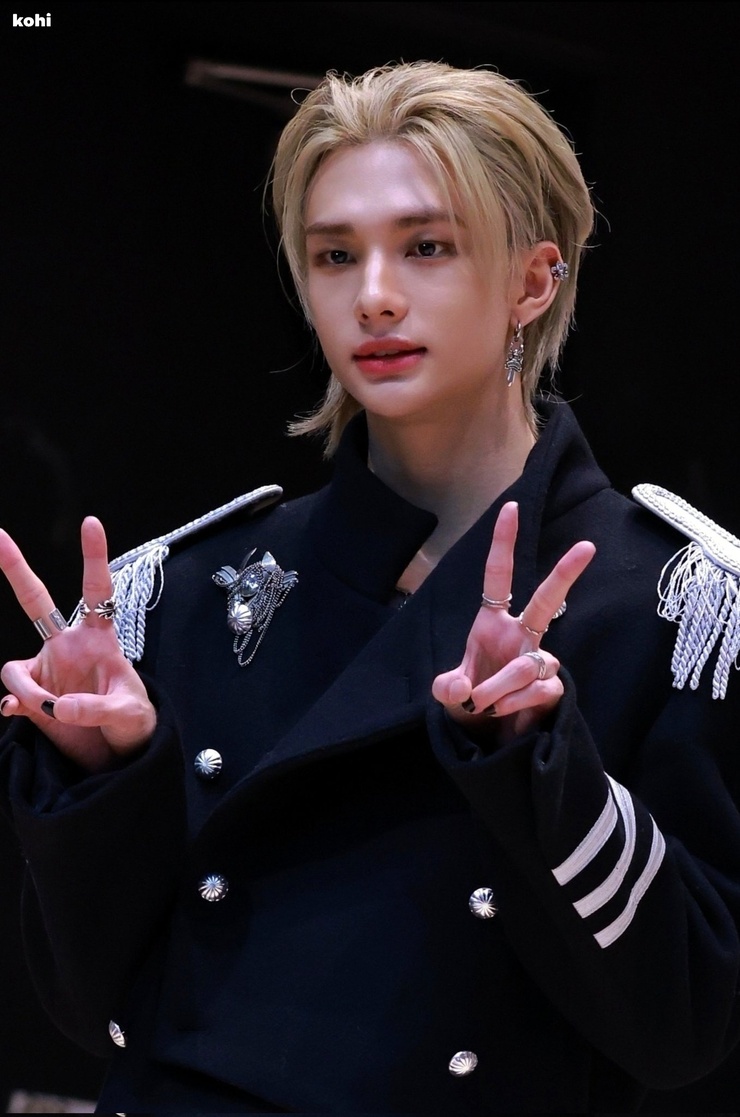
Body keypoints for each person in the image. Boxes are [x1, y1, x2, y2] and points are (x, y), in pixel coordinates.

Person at [1, 60, 740, 1115]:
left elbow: (682, 1027)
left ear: (533, 281)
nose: (374, 294)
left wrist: (537, 763)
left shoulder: (673, 610)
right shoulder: (191, 589)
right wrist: (102, 778)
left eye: (426, 246)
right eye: (334, 254)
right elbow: (89, 1012)